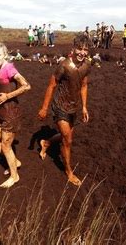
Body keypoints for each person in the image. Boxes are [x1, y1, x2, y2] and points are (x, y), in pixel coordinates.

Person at [38, 35, 91, 186]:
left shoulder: (87, 66)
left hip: (73, 108)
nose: (82, 52)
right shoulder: (64, 66)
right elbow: (51, 85)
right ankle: (69, 172)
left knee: (64, 136)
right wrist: (44, 108)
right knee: (68, 140)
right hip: (60, 107)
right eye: (79, 49)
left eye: (85, 50)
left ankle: (46, 143)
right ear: (73, 49)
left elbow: (84, 86)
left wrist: (84, 107)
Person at [0, 41, 31, 188]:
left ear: (5, 54)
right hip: (1, 111)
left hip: (11, 113)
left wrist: (7, 96)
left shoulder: (9, 68)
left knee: (6, 147)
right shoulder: (1, 68)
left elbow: (26, 86)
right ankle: (14, 161)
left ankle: (15, 176)